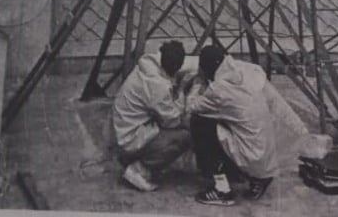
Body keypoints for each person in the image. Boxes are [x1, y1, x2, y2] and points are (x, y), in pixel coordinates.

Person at [187, 45, 279, 206]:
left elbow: (191, 107)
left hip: (251, 156)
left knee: (200, 123)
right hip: (265, 154)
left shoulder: (219, 90)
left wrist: (197, 83)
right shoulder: (247, 71)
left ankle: (222, 190)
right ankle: (248, 175)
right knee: (227, 121)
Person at [112, 40, 190, 192]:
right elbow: (172, 121)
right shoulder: (157, 85)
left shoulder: (149, 63)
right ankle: (139, 170)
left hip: (124, 129)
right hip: (130, 139)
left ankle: (133, 159)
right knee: (184, 136)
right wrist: (182, 93)